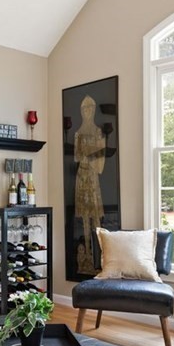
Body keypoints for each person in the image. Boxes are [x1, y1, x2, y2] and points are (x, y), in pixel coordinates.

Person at [73, 95, 106, 273]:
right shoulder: (78, 133)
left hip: (92, 177)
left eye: (90, 108)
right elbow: (76, 157)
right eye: (84, 109)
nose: (87, 112)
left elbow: (100, 163)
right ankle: (85, 256)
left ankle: (98, 256)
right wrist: (84, 151)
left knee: (95, 216)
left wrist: (89, 152)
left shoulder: (98, 132)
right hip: (81, 176)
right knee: (84, 218)